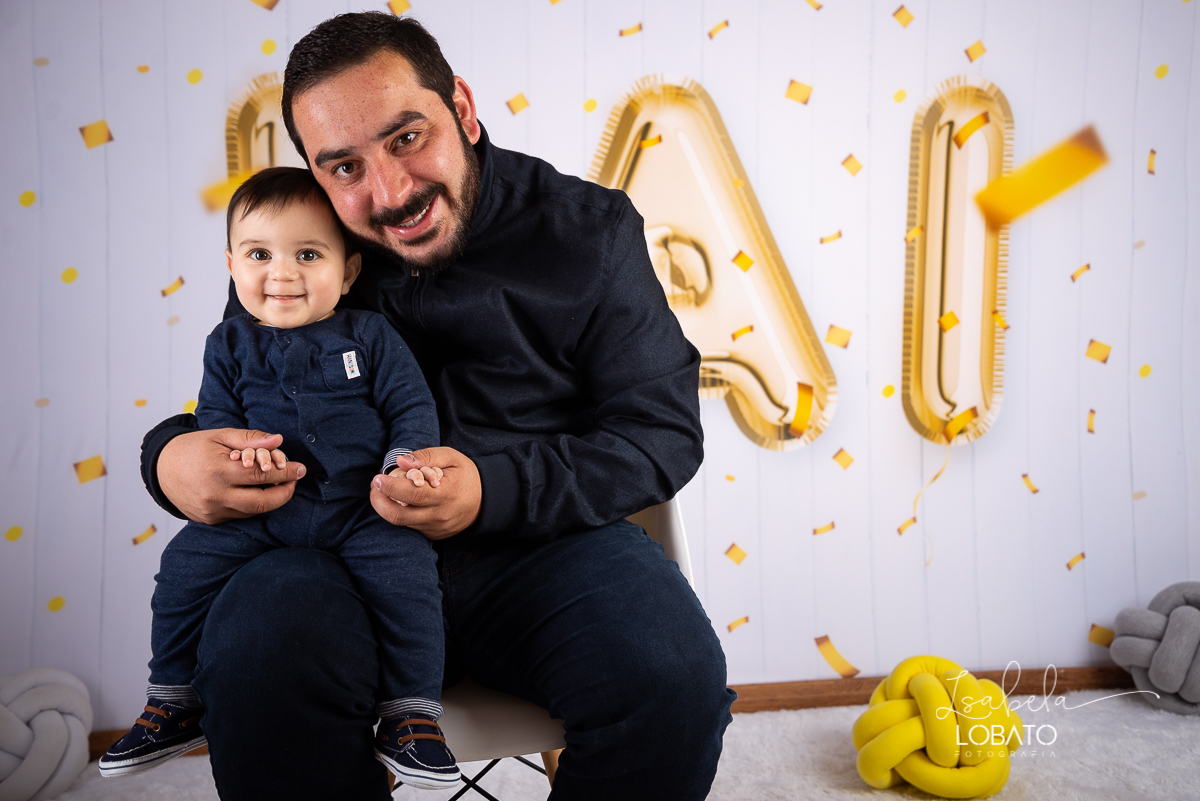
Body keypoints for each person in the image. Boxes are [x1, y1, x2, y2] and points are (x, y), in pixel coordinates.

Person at [140, 11, 735, 800]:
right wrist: (168, 457)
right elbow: (230, 398)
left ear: (460, 105)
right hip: (329, 553)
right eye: (343, 167)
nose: (389, 192)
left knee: (672, 675)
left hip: (539, 553)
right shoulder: (297, 248)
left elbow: (659, 431)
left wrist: (491, 488)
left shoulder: (589, 232)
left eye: (406, 137)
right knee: (251, 650)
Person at [104, 168, 460, 790]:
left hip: (363, 508)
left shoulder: (370, 335)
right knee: (184, 566)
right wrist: (241, 459)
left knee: (409, 578)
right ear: (232, 265)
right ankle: (173, 697)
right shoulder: (228, 343)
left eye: (308, 255)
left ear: (348, 272)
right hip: (266, 512)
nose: (283, 273)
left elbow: (411, 408)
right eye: (260, 254)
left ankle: (412, 715)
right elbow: (216, 421)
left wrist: (402, 463)